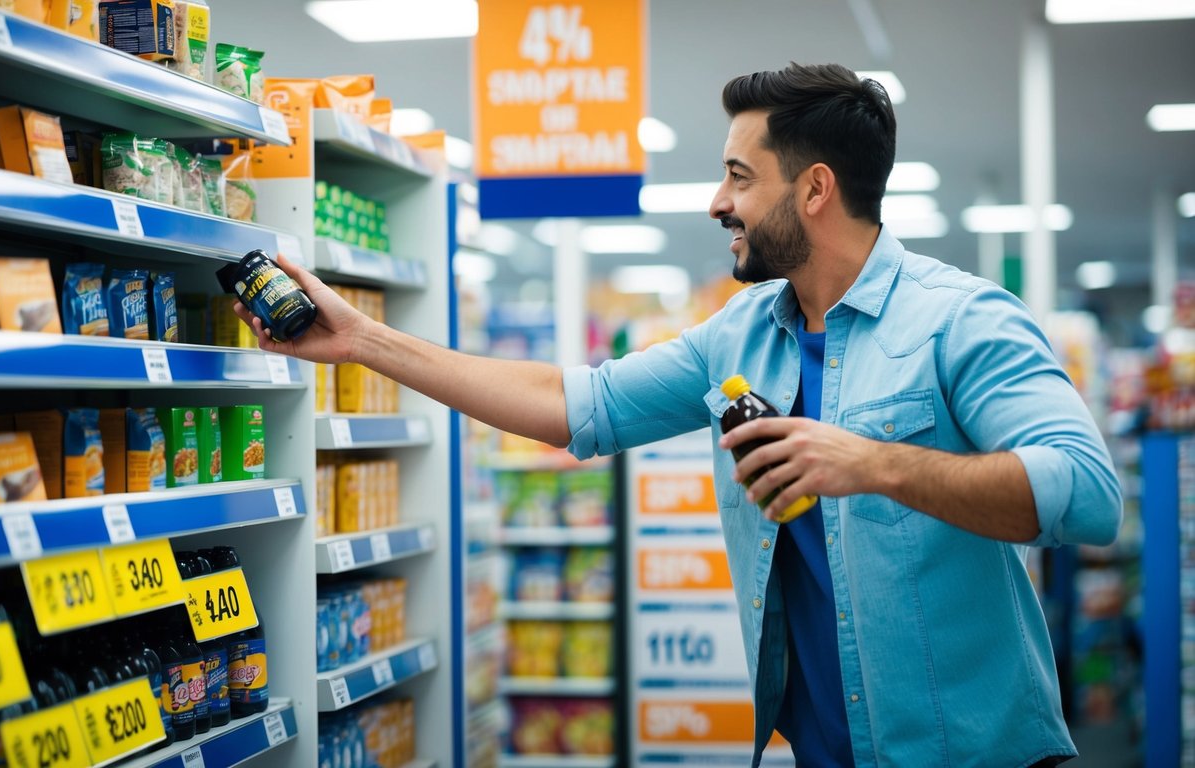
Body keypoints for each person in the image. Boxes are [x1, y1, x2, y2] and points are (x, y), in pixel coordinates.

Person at [235, 62, 1122, 767]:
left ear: (813, 190)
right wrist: (362, 342)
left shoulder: (960, 317)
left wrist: (875, 462)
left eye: (738, 175)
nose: (716, 202)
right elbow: (568, 404)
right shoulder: (739, 334)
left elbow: (1085, 492)